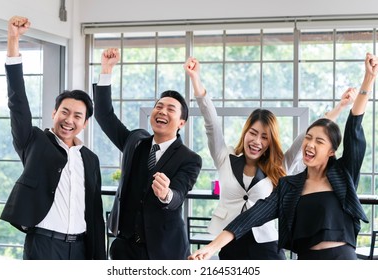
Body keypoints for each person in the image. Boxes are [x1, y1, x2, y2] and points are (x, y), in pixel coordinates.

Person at [188, 52, 377, 260]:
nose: (310, 144)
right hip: (300, 261)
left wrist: (366, 82)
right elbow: (252, 216)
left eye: (319, 141)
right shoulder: (290, 185)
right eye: (308, 139)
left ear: (331, 151)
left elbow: (352, 131)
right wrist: (211, 247)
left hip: (336, 261)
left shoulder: (341, 174)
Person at [0, 16, 106, 260]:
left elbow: (94, 210)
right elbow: (18, 104)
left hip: (80, 248)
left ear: (85, 123)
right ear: (54, 113)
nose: (69, 120)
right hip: (44, 247)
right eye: (64, 112)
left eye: (77, 116)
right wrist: (13, 41)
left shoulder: (90, 159)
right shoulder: (34, 142)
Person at [94, 48, 202, 260]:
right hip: (124, 249)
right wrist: (106, 70)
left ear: (182, 123)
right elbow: (104, 115)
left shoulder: (190, 159)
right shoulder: (134, 142)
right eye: (158, 106)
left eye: (171, 109)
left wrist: (166, 195)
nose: (162, 111)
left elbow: (178, 195)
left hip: (165, 252)